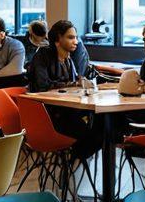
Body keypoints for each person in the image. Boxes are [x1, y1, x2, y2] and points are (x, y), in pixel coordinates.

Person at [25, 20, 98, 158]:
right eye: (71, 37)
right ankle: (74, 157)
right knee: (94, 132)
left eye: (76, 37)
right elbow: (43, 86)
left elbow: (74, 83)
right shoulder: (42, 56)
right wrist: (73, 84)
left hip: (65, 110)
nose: (76, 41)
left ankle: (74, 157)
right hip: (47, 115)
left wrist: (80, 83)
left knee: (101, 123)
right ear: (57, 40)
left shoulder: (68, 60)